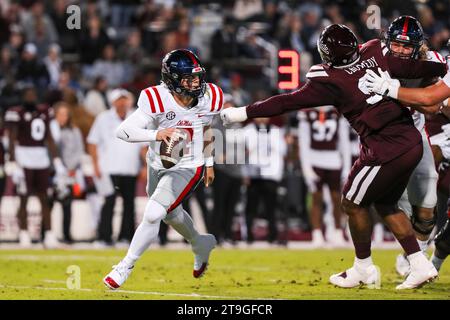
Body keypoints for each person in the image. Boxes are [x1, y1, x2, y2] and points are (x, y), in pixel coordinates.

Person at [220, 24, 447, 290]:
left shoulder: (328, 78)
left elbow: (285, 102)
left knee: (352, 203)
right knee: (385, 205)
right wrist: (438, 67)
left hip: (386, 148)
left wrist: (242, 112)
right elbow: (419, 68)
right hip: (410, 141)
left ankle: (363, 268)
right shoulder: (374, 50)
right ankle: (419, 264)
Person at [103, 49, 221, 289]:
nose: (196, 82)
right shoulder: (156, 98)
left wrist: (208, 162)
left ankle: (125, 265)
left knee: (154, 213)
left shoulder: (210, 97)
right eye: (189, 78)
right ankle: (200, 243)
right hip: (157, 162)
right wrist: (157, 133)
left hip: (189, 165)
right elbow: (123, 131)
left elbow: (208, 128)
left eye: (197, 76)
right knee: (168, 213)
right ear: (173, 80)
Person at [373, 16, 443, 277]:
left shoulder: (429, 64)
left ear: (418, 47)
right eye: (396, 45)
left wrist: (396, 94)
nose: (400, 51)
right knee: (388, 202)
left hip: (414, 134)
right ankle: (364, 263)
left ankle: (416, 254)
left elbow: (434, 105)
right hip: (379, 137)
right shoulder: (372, 59)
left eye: (407, 46)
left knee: (427, 206)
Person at [5, 87, 66, 248]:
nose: (31, 97)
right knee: (23, 198)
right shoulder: (16, 112)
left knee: (44, 198)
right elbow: (12, 138)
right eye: (28, 94)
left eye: (33, 94)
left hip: (40, 158)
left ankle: (49, 235)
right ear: (23, 97)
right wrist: (12, 161)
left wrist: (57, 160)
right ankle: (24, 234)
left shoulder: (44, 112)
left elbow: (50, 139)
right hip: (23, 156)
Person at [87, 88, 146, 247]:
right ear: (113, 102)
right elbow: (92, 142)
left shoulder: (137, 117)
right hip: (109, 169)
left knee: (129, 204)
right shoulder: (103, 118)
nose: (122, 102)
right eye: (119, 99)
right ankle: (103, 237)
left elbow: (143, 146)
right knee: (109, 203)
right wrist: (95, 165)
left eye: (125, 99)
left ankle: (125, 237)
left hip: (130, 168)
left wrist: (145, 166)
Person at [298, 106, 351, 248]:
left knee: (337, 199)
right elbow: (303, 143)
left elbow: (344, 142)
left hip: (333, 159)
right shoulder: (307, 114)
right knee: (316, 198)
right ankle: (317, 234)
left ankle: (338, 233)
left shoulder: (336, 113)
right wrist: (306, 167)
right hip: (314, 158)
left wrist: (346, 167)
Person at [49, 102, 85, 243]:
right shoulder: (50, 131)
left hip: (69, 173)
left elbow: (79, 150)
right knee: (48, 204)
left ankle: (66, 235)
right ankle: (45, 234)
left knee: (67, 205)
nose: (63, 117)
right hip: (52, 173)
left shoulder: (74, 131)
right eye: (60, 114)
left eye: (65, 114)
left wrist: (71, 168)